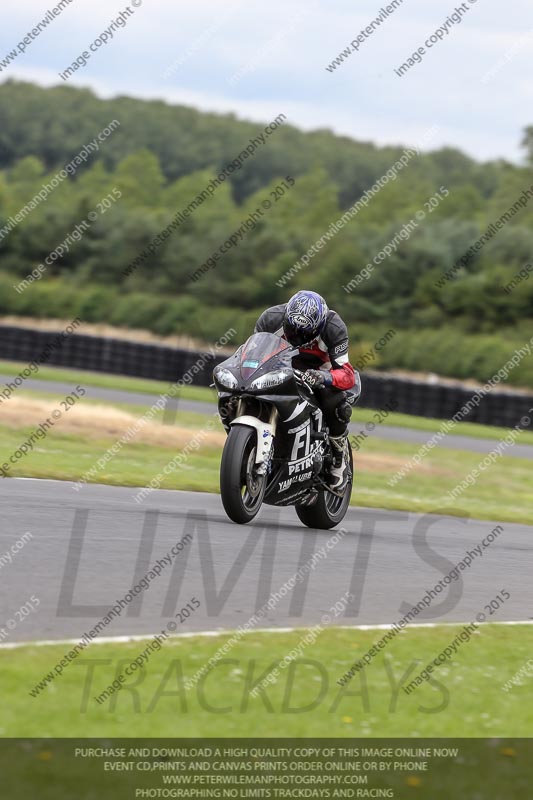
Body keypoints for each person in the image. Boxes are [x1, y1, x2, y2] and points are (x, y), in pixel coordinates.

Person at [254, 290, 360, 490]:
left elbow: (347, 374)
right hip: (281, 368)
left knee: (334, 401)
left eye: (303, 332)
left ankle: (338, 459)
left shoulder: (334, 328)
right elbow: (253, 351)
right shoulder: (271, 318)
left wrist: (325, 377)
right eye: (292, 329)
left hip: (320, 373)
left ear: (318, 326)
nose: (296, 336)